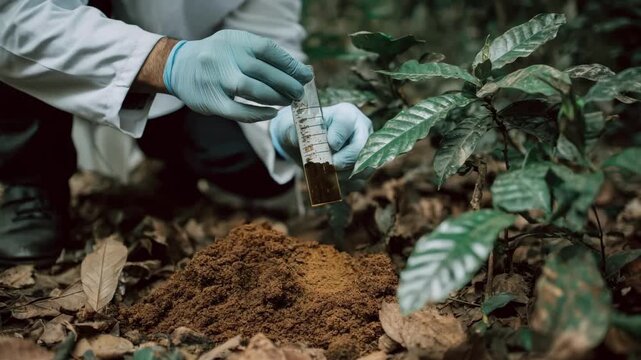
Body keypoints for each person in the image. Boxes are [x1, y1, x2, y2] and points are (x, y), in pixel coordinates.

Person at [0, 0, 373, 265]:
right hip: (49, 60)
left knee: (241, 160)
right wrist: (165, 61)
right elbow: (12, 17)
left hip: (182, 83)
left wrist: (285, 127)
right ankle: (27, 181)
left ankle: (170, 166)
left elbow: (271, 43)